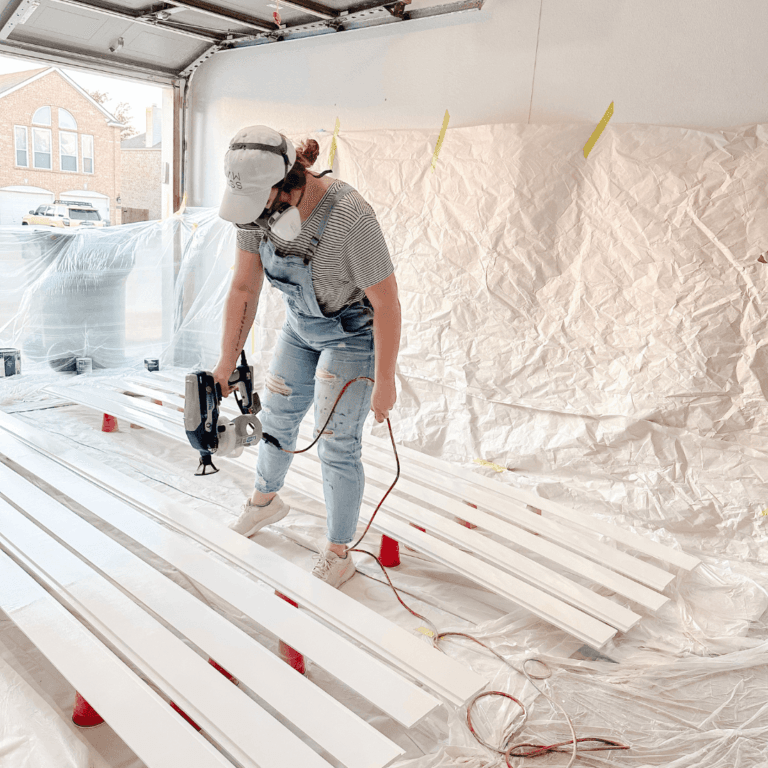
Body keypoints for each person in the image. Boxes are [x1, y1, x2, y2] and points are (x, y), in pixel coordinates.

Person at [214, 125, 401, 588]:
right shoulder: (253, 210)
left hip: (352, 334)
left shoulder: (350, 218)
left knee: (337, 442)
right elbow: (244, 286)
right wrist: (225, 362)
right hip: (300, 327)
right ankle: (265, 503)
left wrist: (385, 381)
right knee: (277, 417)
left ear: (288, 184)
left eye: (263, 208)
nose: (255, 222)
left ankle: (339, 553)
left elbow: (387, 303)